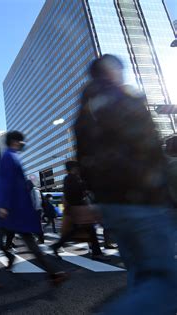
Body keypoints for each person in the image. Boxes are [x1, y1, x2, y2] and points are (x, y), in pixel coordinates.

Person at [75, 54, 177, 314]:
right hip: (144, 198)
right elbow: (149, 148)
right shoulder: (125, 99)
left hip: (112, 206)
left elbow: (83, 160)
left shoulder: (84, 110)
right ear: (113, 71)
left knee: (140, 273)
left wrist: (95, 198)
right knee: (166, 285)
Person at [0, 131, 68, 288]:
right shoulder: (9, 157)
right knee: (24, 242)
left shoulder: (10, 156)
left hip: (12, 210)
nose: (23, 144)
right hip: (11, 210)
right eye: (22, 141)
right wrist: (4, 205)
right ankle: (53, 273)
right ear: (15, 141)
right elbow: (5, 183)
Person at [50, 161, 107, 261]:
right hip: (78, 208)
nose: (78, 169)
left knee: (81, 230)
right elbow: (72, 194)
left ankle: (57, 245)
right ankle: (96, 253)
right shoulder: (70, 178)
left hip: (78, 207)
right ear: (73, 168)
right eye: (76, 167)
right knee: (87, 230)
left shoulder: (72, 178)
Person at [26, 179, 45, 244]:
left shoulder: (35, 190)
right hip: (36, 210)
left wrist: (35, 210)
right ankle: (39, 238)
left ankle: (41, 239)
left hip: (37, 210)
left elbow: (37, 201)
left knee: (38, 225)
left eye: (27, 185)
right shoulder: (32, 190)